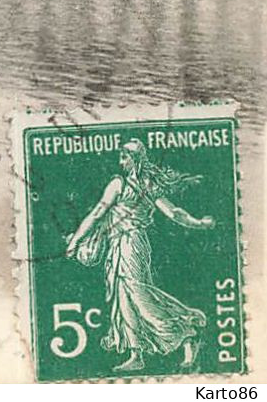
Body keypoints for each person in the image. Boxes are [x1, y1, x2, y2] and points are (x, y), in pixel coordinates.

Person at [64, 139, 214, 372]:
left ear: (133, 159)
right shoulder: (144, 185)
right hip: (118, 244)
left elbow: (97, 214)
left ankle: (186, 332)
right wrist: (200, 223)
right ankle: (136, 354)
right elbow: (174, 213)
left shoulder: (123, 184)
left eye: (124, 157)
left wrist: (75, 241)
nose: (120, 161)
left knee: (139, 295)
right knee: (124, 298)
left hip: (132, 244)